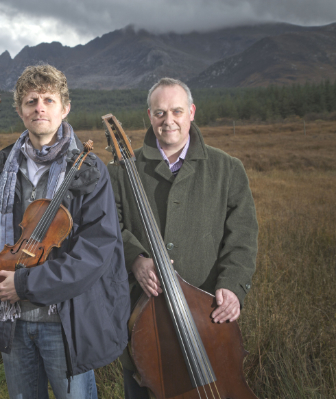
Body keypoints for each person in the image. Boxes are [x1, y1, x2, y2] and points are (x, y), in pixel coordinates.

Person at [0, 64, 130, 399]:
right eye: (30, 101)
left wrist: (26, 284)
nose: (39, 107)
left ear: (64, 108)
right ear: (19, 110)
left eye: (48, 100)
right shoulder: (3, 168)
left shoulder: (89, 170)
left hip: (66, 322)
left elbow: (96, 252)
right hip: (13, 323)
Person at [108, 77, 258, 398]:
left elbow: (242, 237)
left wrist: (232, 286)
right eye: (160, 113)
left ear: (191, 112)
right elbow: (106, 227)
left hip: (208, 321)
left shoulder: (228, 169)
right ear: (149, 115)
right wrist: (134, 258)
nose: (169, 121)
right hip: (144, 319)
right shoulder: (121, 172)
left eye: (177, 111)